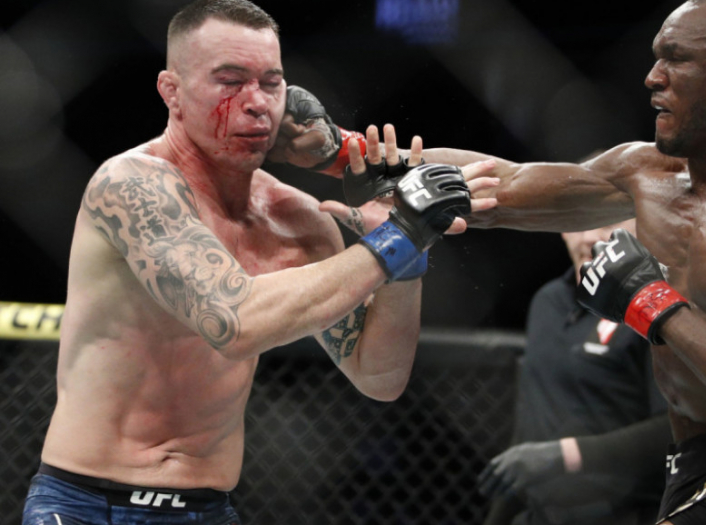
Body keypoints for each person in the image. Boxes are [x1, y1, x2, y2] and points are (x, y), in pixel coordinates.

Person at [377, 0, 706, 522]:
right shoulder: (648, 173)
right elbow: (505, 184)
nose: (652, 77)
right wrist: (358, 156)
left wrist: (654, 304)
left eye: (676, 58)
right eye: (656, 57)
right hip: (689, 468)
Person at [20, 1, 497, 524]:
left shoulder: (298, 219)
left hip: (208, 510)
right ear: (171, 91)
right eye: (230, 81)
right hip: (86, 504)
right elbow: (235, 322)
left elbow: (380, 376)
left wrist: (407, 254)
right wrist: (399, 237)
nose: (256, 103)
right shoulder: (131, 187)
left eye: (271, 83)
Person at [478, 219, 671, 525]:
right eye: (580, 223)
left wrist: (565, 455)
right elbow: (532, 427)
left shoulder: (659, 309)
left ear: (639, 223)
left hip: (626, 513)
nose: (590, 238)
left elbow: (675, 430)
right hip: (542, 514)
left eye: (608, 222)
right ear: (563, 230)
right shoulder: (548, 301)